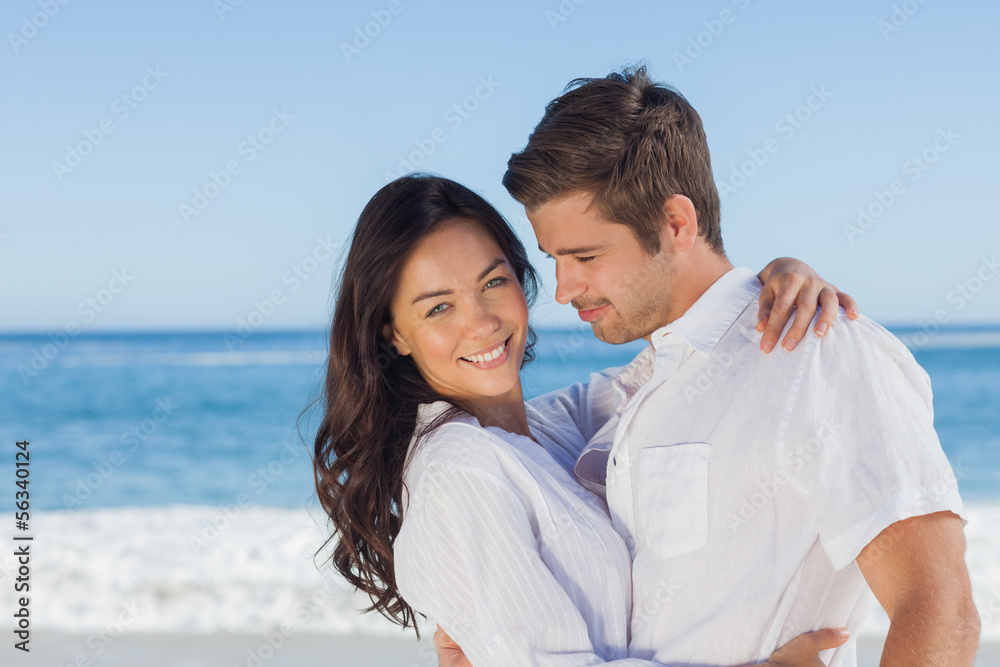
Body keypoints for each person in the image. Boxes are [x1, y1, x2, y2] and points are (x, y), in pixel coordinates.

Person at [435, 66, 978, 666]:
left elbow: (940, 611)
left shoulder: (821, 351)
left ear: (676, 224)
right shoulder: (639, 387)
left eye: (585, 255)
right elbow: (483, 426)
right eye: (554, 259)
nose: (563, 290)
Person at [312, 173, 860, 665]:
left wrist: (773, 281)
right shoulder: (460, 469)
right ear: (395, 334)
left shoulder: (544, 430)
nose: (480, 322)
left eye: (493, 283)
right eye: (438, 307)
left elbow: (672, 367)